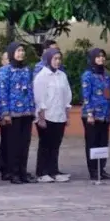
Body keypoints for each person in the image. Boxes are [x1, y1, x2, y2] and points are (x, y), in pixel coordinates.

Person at [0, 42, 35, 184]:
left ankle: (23, 171)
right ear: (11, 53)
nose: (21, 53)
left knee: (25, 143)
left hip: (26, 113)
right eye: (18, 51)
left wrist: (32, 109)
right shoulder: (5, 71)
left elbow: (30, 90)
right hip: (12, 113)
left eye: (22, 50)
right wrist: (4, 113)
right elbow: (2, 92)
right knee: (13, 144)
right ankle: (13, 172)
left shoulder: (26, 70)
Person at [33, 49, 72, 182]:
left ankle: (53, 171)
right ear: (48, 59)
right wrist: (41, 117)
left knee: (56, 145)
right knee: (45, 145)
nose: (57, 61)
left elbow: (67, 95)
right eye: (55, 59)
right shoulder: (42, 76)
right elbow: (39, 97)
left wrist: (67, 115)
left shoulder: (62, 75)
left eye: (59, 59)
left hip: (59, 115)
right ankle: (42, 172)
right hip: (47, 116)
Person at [80, 48, 110, 181]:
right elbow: (86, 95)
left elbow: (108, 94)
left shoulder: (105, 74)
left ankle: (102, 169)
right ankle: (93, 170)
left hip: (105, 114)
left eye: (103, 56)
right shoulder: (87, 75)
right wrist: (89, 113)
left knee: (103, 142)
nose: (101, 59)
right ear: (92, 58)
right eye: (98, 57)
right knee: (92, 142)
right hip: (92, 115)